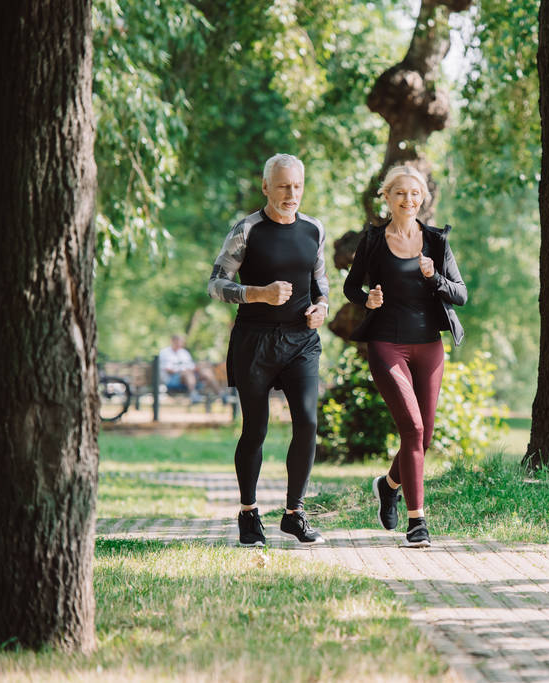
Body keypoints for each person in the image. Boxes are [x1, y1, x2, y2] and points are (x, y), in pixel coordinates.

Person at [208, 153, 329, 547]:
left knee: (307, 422)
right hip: (255, 341)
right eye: (283, 186)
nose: (291, 194)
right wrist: (257, 294)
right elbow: (215, 284)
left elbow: (321, 283)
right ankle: (248, 512)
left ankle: (294, 513)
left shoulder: (314, 229)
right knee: (255, 429)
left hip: (301, 341)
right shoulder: (247, 230)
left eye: (297, 186)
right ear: (266, 187)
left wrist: (322, 308)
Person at [344, 164, 467, 548]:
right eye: (400, 193)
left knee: (424, 435)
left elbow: (461, 294)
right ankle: (417, 522)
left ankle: (388, 485)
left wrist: (434, 277)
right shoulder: (373, 240)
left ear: (423, 198)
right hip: (387, 344)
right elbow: (351, 286)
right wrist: (367, 299)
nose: (408, 199)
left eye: (415, 193)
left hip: (429, 346)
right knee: (412, 429)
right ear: (387, 196)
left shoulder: (436, 242)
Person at [157, 334, 221, 403]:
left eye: (181, 342)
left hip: (190, 378)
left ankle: (220, 394)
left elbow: (191, 366)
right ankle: (193, 395)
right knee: (187, 373)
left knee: (206, 372)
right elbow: (168, 369)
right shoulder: (165, 352)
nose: (179, 344)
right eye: (178, 341)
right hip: (172, 380)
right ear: (172, 341)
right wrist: (184, 370)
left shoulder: (184, 352)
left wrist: (197, 368)